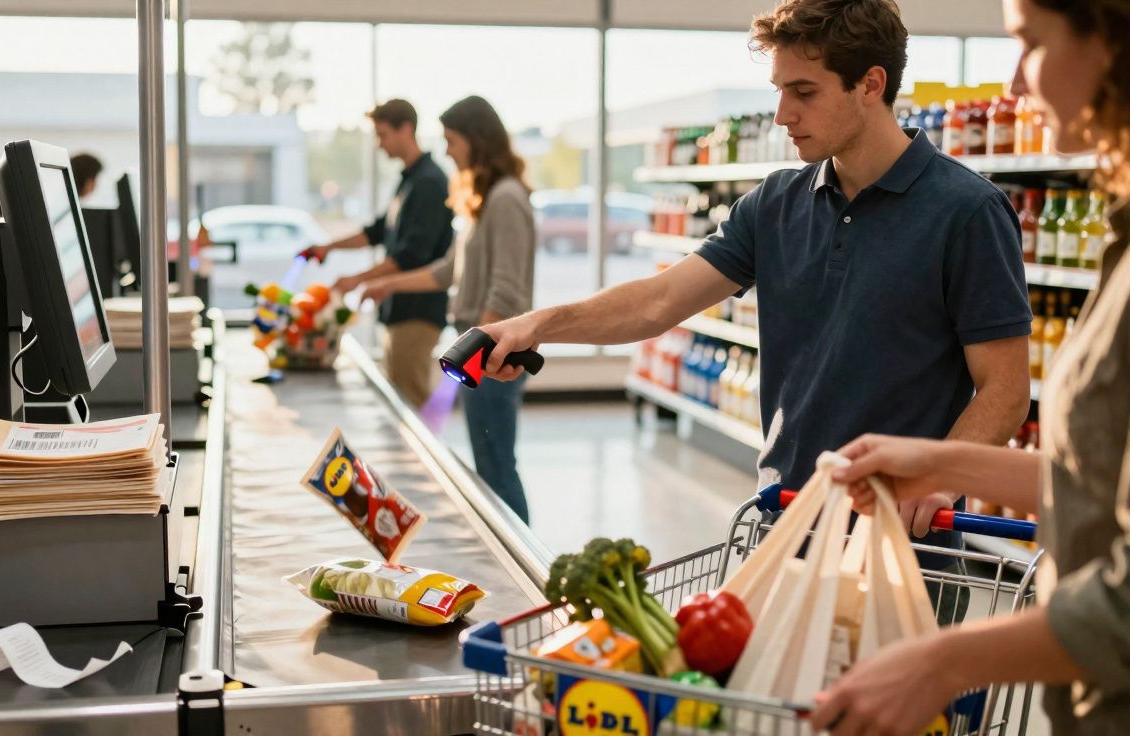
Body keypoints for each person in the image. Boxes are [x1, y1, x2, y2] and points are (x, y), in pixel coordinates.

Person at [480, 0, 1033, 553]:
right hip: (782, 520)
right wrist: (537, 324)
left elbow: (1005, 390)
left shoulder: (967, 212)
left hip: (899, 541)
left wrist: (937, 480)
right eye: (779, 91)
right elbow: (658, 301)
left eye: (805, 92)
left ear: (870, 83)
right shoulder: (775, 204)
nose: (782, 115)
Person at [810, 0, 1130, 732]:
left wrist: (943, 660)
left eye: (1032, 45)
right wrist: (941, 460)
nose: (1017, 85)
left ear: (1111, 44)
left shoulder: (967, 208)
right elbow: (1100, 489)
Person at [354, 96, 536, 521]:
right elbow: (446, 270)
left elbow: (505, 294)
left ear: (476, 140)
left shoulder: (507, 198)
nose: (448, 151)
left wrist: (470, 359)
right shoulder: (484, 197)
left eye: (453, 141)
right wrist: (386, 285)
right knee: (489, 467)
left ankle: (530, 575)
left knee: (497, 469)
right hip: (481, 351)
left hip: (495, 356)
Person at [306, 100, 454, 407]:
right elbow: (376, 233)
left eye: (383, 134)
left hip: (418, 312)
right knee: (399, 398)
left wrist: (355, 280)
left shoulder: (428, 183)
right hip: (399, 311)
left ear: (407, 129)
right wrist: (328, 248)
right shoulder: (410, 180)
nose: (379, 144)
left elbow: (409, 257)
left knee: (410, 404)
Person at [0, 151, 101, 217]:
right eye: (95, 179)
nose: (95, 186)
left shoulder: (54, 194)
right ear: (88, 180)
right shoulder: (58, 203)